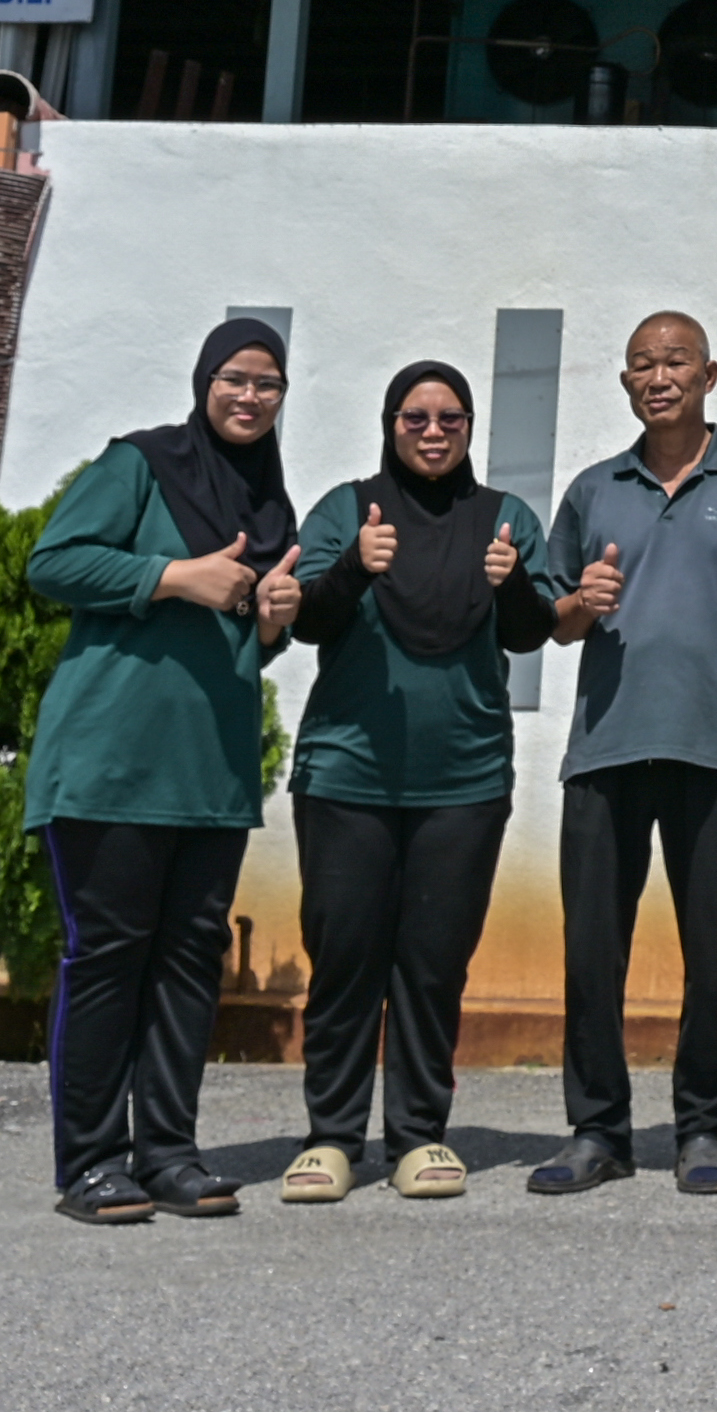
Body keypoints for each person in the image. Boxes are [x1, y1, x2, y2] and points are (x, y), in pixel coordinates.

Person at [21, 315, 306, 1226]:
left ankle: (170, 1152)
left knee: (188, 962)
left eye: (268, 383)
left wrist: (270, 621)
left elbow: (237, 649)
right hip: (110, 762)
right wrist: (172, 577)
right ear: (203, 382)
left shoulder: (269, 506)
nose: (250, 396)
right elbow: (53, 561)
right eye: (235, 378)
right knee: (108, 959)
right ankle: (93, 1162)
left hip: (209, 773)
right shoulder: (138, 463)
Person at [526, 311, 717, 1199]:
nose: (659, 376)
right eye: (642, 364)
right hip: (607, 749)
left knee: (715, 951)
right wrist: (582, 600)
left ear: (709, 374)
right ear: (624, 384)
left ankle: (702, 1128)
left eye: (675, 361)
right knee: (592, 950)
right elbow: (555, 622)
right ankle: (598, 1128)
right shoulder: (591, 489)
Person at [275, 360, 561, 1204]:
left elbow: (530, 634)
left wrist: (510, 585)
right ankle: (331, 1135)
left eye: (449, 418)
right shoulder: (347, 507)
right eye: (414, 418)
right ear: (390, 424)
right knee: (345, 957)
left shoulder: (504, 518)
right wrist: (358, 565)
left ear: (469, 429)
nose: (432, 432)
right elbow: (309, 621)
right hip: (348, 773)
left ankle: (417, 1134)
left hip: (463, 778)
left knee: (433, 964)